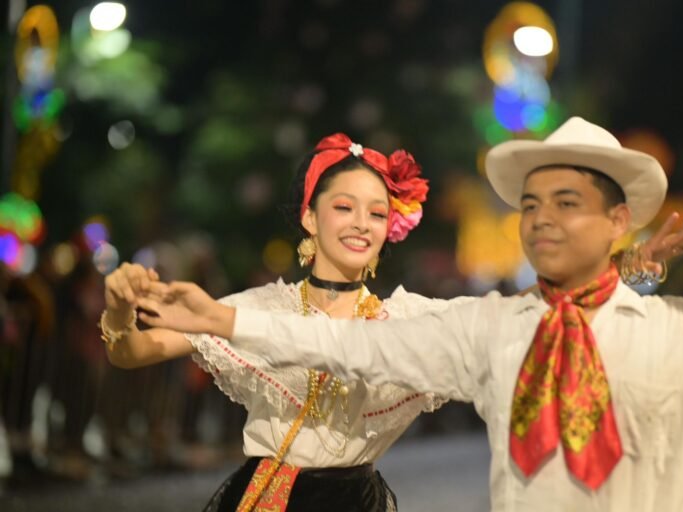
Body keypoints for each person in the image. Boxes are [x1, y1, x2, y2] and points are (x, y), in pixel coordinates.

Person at [140, 117, 683, 512]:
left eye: (567, 201)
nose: (542, 218)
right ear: (309, 216)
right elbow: (348, 346)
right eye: (529, 204)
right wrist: (222, 321)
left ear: (618, 222)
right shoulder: (492, 329)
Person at [101, 133, 464, 511]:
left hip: (357, 502)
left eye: (376, 213)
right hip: (273, 499)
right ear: (310, 216)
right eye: (344, 207)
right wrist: (118, 308)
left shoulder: (402, 318)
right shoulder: (263, 308)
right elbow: (132, 352)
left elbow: (492, 323)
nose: (361, 224)